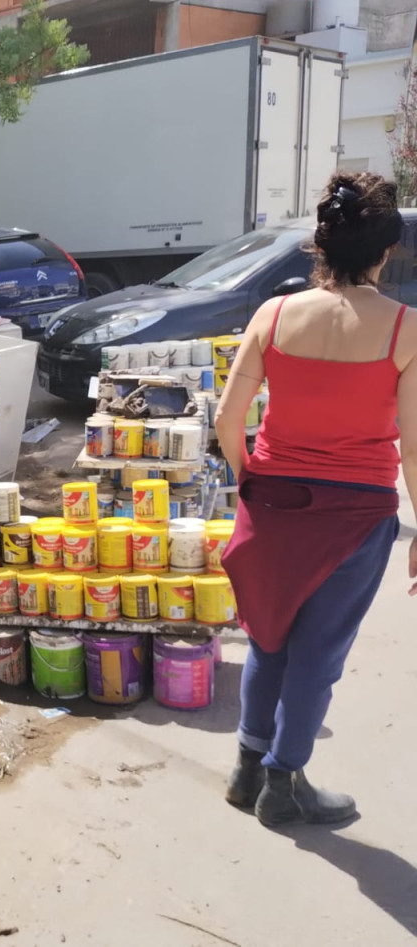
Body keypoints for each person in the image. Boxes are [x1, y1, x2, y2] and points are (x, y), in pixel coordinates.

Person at [214, 171, 417, 828]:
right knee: (317, 652)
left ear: (320, 245)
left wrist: (253, 485)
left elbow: (227, 417)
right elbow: (413, 450)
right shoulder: (404, 330)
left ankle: (246, 769)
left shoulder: (273, 315)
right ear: (385, 251)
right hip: (356, 515)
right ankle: (284, 782)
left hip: (271, 502)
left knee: (269, 638)